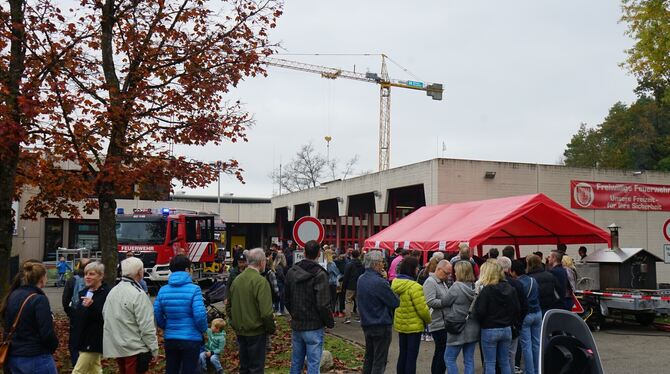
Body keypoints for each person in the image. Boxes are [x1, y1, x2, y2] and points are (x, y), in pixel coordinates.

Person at [284, 240, 334, 374]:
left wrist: (294, 312)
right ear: (319, 254)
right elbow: (323, 304)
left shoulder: (292, 272)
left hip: (298, 323)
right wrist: (329, 322)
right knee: (313, 364)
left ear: (304, 253)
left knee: (296, 361)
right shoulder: (320, 274)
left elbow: (286, 298)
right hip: (314, 324)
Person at [0, 260, 58, 374]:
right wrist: (52, 346)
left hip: (13, 355)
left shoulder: (12, 295)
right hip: (35, 356)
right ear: (42, 278)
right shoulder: (39, 299)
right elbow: (47, 332)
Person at [103, 257, 159, 374]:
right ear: (139, 272)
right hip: (135, 348)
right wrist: (154, 349)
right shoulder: (138, 294)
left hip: (118, 347)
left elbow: (105, 315)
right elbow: (146, 326)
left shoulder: (113, 291)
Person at [154, 255, 208, 374]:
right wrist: (203, 329)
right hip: (191, 338)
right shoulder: (195, 289)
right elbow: (200, 315)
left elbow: (157, 313)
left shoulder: (163, 290)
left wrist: (166, 326)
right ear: (187, 270)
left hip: (170, 338)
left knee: (171, 369)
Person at [226, 248, 276, 374]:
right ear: (261, 262)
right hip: (256, 331)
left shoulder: (237, 280)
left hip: (240, 330)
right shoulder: (260, 282)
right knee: (256, 368)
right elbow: (266, 313)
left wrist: (234, 323)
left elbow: (228, 306)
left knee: (244, 367)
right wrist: (271, 329)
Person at [357, 250, 400, 374]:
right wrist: (385, 280)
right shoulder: (379, 282)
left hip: (367, 323)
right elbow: (395, 302)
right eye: (381, 262)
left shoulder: (361, 279)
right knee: (379, 361)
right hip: (380, 324)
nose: (383, 265)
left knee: (369, 358)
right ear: (376, 264)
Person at [474, 261, 520, 374]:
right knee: (505, 362)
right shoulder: (510, 288)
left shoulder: (486, 290)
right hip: (506, 328)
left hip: (489, 328)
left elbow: (480, 311)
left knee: (490, 363)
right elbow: (517, 309)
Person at [391, 255, 432, 374]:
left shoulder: (395, 283)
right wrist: (428, 320)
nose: (418, 269)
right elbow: (422, 309)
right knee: (411, 356)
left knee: (403, 354)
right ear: (412, 268)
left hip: (400, 323)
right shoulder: (415, 287)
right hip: (414, 326)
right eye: (417, 267)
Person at [72, 262, 109, 374]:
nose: (87, 277)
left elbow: (106, 317)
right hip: (82, 338)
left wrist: (92, 306)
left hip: (94, 339)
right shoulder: (83, 292)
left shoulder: (107, 293)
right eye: (86, 274)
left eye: (91, 274)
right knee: (95, 370)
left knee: (78, 371)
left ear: (101, 276)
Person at [444, 261, 480, 374]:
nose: (454, 272)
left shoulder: (456, 287)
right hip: (473, 328)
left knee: (449, 358)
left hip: (457, 327)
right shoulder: (476, 287)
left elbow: (445, 302)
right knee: (469, 360)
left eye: (455, 270)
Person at [496, 257, 528, 374]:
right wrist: (518, 323)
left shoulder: (492, 284)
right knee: (510, 357)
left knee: (494, 358)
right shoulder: (517, 284)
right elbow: (524, 306)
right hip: (513, 326)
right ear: (509, 269)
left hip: (495, 326)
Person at [422, 260, 453, 374]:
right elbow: (429, 301)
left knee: (440, 352)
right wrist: (446, 302)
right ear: (439, 269)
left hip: (443, 322)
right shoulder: (431, 282)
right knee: (442, 353)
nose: (448, 276)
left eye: (449, 273)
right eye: (446, 273)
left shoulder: (441, 281)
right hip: (437, 322)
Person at [510, 260, 541, 374]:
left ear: (514, 272)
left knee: (526, 346)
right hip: (537, 313)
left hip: (526, 315)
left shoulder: (517, 283)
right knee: (536, 344)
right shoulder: (533, 280)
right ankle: (538, 370)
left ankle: (530, 371)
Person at [62, 257, 90, 366]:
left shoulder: (72, 280)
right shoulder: (95, 279)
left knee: (74, 340)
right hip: (90, 312)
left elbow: (65, 299)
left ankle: (76, 363)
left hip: (75, 312)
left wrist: (69, 312)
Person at [342, 249, 365, 324]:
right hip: (359, 285)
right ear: (359, 255)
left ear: (352, 255)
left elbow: (346, 276)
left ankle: (348, 318)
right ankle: (361, 317)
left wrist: (344, 286)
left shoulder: (349, 264)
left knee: (348, 301)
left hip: (350, 285)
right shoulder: (362, 264)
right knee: (359, 302)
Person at [325, 248, 342, 317]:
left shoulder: (323, 263)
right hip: (332, 282)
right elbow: (337, 272)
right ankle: (332, 312)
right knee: (333, 299)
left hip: (326, 282)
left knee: (327, 298)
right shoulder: (331, 263)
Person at [273, 249, 288, 314]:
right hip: (280, 283)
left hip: (276, 282)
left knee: (277, 296)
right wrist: (285, 281)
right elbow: (281, 275)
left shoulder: (275, 265)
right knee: (282, 297)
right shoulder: (279, 266)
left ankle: (276, 310)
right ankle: (281, 311)